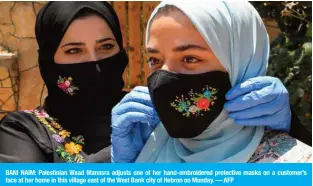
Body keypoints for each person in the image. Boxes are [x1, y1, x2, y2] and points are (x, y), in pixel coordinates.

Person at [111, 1, 311, 163]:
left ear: (240, 64)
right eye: (155, 60)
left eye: (190, 58)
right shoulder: (148, 150)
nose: (163, 77)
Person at [0, 2, 128, 162]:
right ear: (47, 60)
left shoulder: (147, 113)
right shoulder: (24, 131)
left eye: (106, 46)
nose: (93, 61)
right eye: (74, 50)